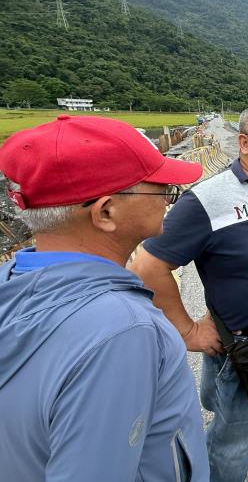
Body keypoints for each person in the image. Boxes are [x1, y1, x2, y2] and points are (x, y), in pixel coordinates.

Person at [0, 114, 208, 481]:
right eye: (159, 188)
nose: (167, 197)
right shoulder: (123, 331)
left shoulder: (13, 282)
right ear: (106, 212)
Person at [130, 105, 248, 482]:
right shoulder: (207, 199)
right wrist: (188, 330)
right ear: (245, 143)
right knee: (234, 441)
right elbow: (147, 268)